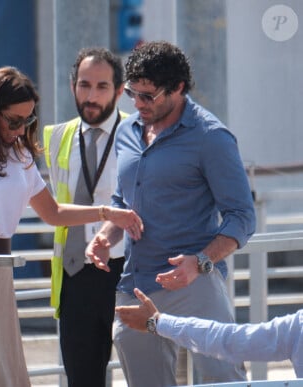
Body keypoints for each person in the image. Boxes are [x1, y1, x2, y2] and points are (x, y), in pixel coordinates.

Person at [0, 66, 143, 387]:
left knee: (1, 370)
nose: (20, 130)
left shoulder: (19, 155)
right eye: (13, 120)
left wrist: (105, 212)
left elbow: (54, 212)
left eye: (27, 121)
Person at [86, 40, 256, 386]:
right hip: (137, 283)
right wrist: (105, 236)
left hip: (196, 282)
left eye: (148, 96)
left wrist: (201, 261)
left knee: (224, 379)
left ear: (178, 87)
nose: (138, 104)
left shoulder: (212, 137)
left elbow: (242, 216)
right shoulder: (127, 131)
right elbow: (124, 201)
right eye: (133, 93)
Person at [42, 47, 127, 387]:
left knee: (145, 370)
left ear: (120, 91)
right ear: (72, 86)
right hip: (75, 271)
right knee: (82, 378)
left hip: (126, 269)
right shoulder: (57, 136)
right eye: (84, 85)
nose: (91, 96)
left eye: (102, 87)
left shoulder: (136, 134)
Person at [117, 288, 303, 378]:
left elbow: (228, 341)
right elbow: (228, 340)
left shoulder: (297, 325)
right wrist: (159, 323)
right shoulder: (297, 326)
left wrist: (158, 323)